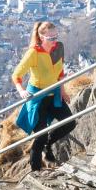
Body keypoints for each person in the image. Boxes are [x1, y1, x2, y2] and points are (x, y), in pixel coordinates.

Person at [11, 20, 71, 170]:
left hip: (54, 94)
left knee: (69, 122)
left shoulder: (59, 47)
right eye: (51, 38)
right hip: (37, 97)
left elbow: (60, 72)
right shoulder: (33, 53)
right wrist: (21, 91)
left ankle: (48, 144)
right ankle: (35, 170)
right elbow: (16, 75)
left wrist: (63, 91)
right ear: (41, 37)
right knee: (40, 135)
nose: (54, 40)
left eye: (56, 36)